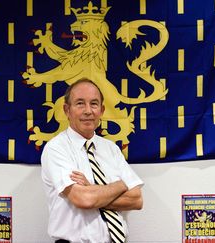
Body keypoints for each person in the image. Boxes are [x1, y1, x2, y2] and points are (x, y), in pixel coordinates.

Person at [41, 78, 144, 243]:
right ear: (67, 110)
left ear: (102, 110)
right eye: (80, 103)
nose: (88, 111)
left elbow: (136, 199)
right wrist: (121, 184)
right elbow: (83, 199)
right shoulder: (56, 149)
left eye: (94, 104)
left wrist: (92, 188)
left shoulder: (112, 149)